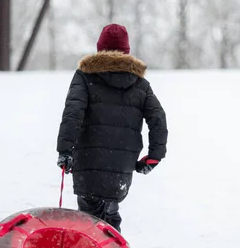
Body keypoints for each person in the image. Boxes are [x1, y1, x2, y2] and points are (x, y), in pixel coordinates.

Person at [56, 23, 168, 233]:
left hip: (88, 163)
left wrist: (65, 150)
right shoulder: (139, 83)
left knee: (89, 223)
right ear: (126, 51)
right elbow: (158, 119)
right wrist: (154, 156)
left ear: (100, 48)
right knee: (110, 214)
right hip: (120, 167)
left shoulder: (84, 76)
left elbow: (73, 113)